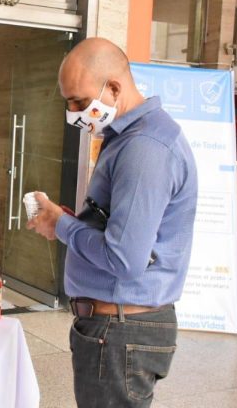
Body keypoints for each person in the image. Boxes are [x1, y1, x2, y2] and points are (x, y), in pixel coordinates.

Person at [27, 37, 198, 407]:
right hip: (114, 329)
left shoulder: (145, 147)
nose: (73, 113)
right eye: (68, 103)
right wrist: (69, 221)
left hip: (120, 332)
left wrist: (62, 225)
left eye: (79, 101)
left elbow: (123, 259)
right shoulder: (127, 138)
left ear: (114, 88)